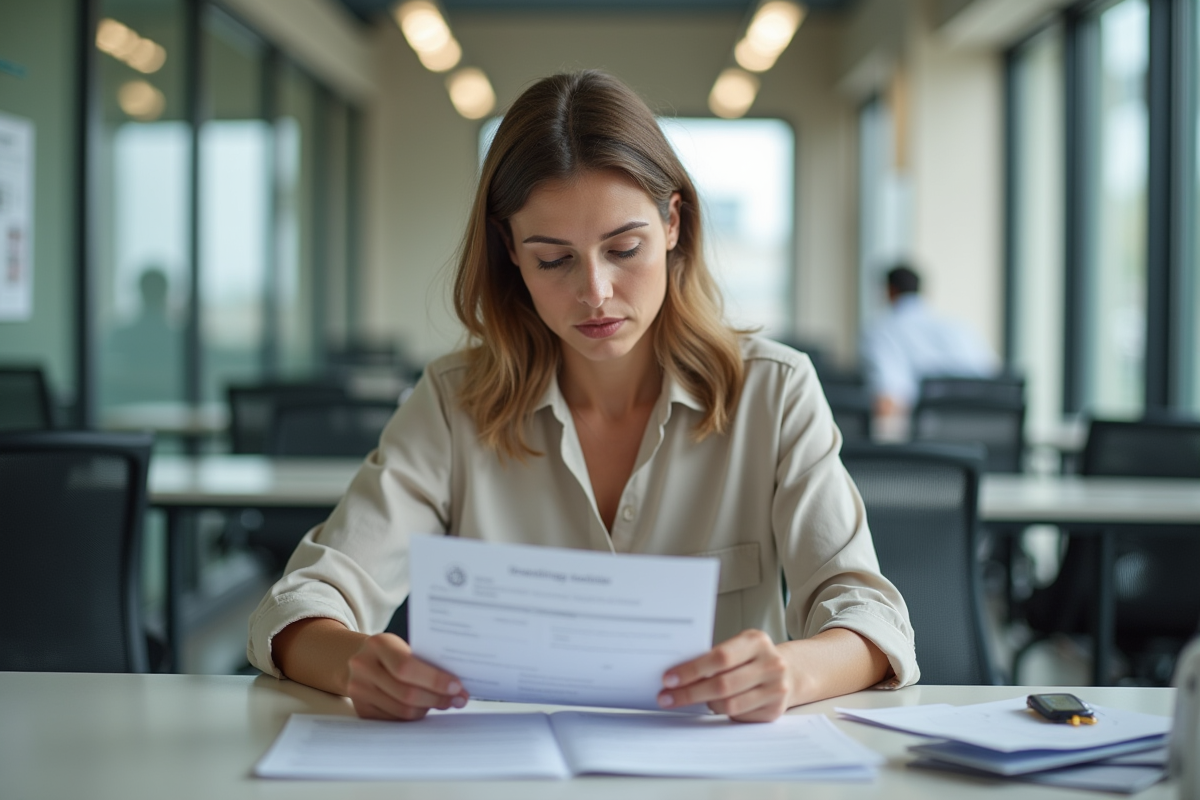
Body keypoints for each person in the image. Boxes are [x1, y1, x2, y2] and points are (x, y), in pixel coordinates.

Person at [248, 70, 917, 723]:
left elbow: (868, 615)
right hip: (502, 775)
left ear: (673, 223)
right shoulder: (455, 404)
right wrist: (352, 660)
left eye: (624, 248)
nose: (594, 292)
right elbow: (301, 602)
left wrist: (792, 672)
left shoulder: (774, 392)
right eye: (553, 259)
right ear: (510, 250)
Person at [860, 265, 998, 417]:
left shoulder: (880, 332)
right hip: (980, 430)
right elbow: (993, 378)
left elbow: (887, 401)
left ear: (890, 291)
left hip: (921, 436)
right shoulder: (960, 328)